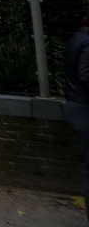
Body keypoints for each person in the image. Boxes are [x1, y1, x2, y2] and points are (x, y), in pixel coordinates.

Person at [65, 14, 89, 223]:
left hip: (75, 104)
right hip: (84, 108)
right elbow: (86, 76)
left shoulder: (77, 38)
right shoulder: (87, 42)